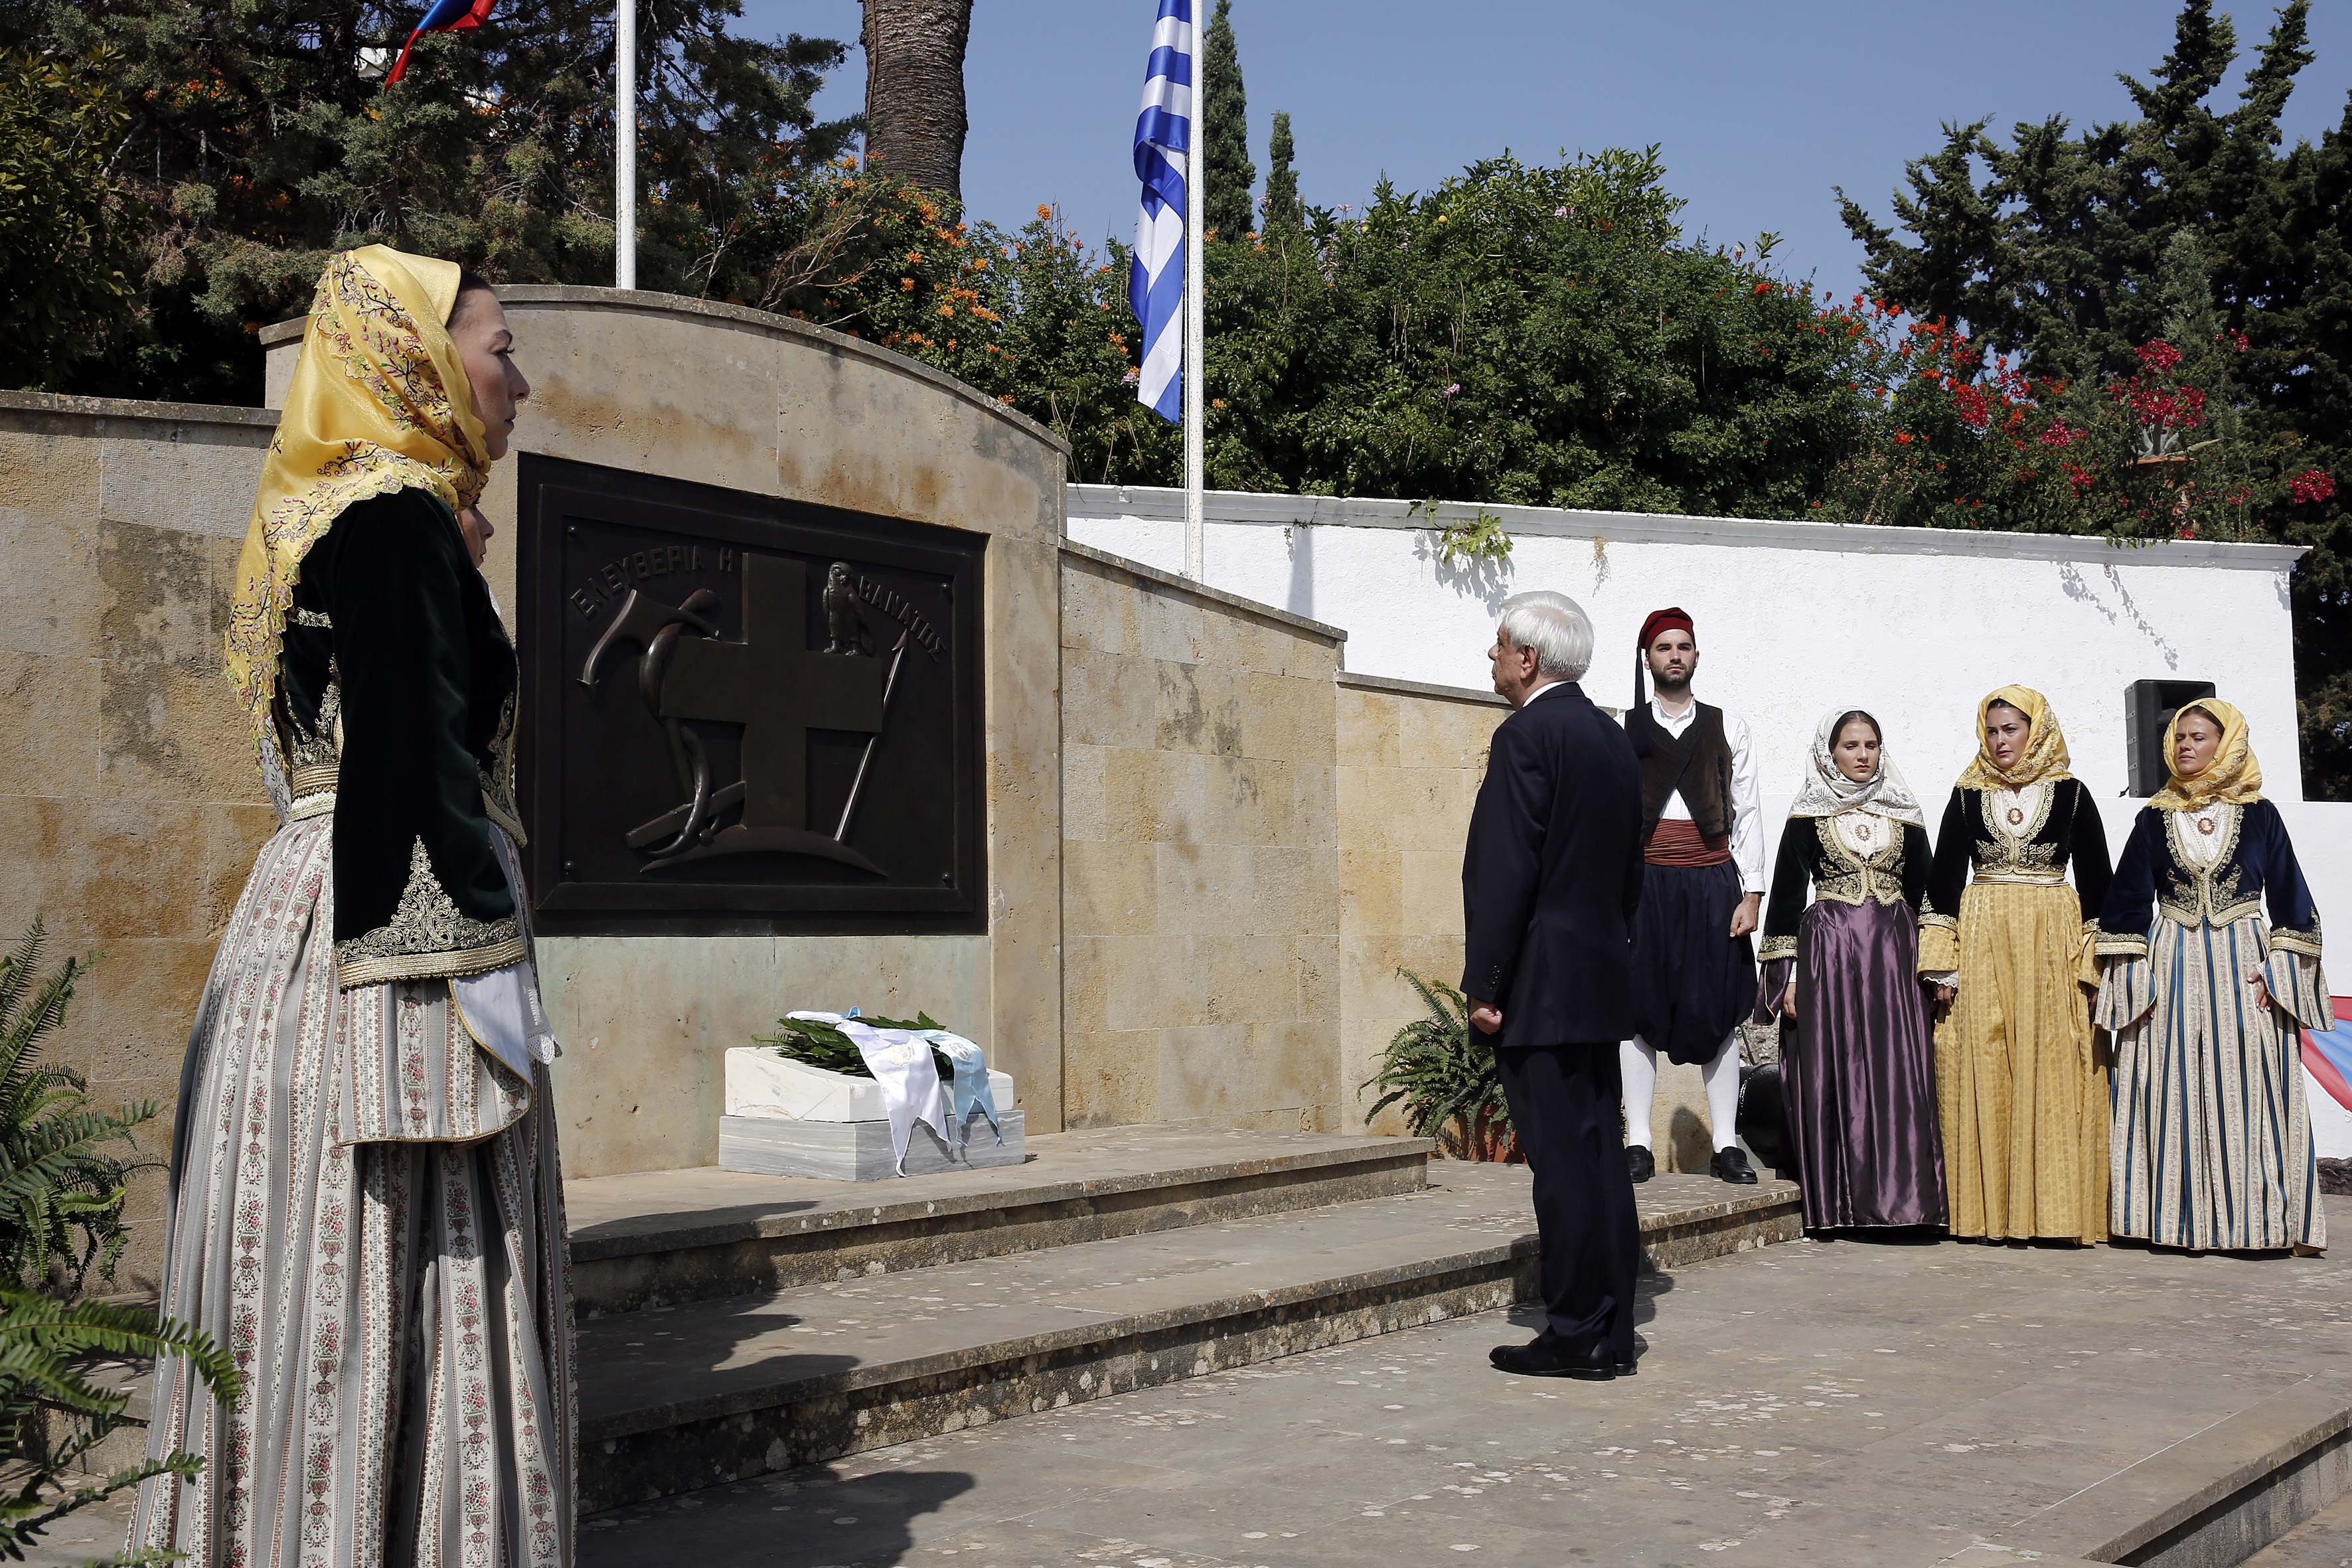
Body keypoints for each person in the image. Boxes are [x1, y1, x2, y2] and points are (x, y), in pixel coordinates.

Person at [131, 246, 576, 1565]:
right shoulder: (392, 523)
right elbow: (411, 763)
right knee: (403, 1272)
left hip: (298, 930)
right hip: (388, 945)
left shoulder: (321, 511)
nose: (520, 384)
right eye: (500, 351)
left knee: (305, 1280)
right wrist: (486, 1001)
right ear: (421, 360)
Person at [1461, 590, 1646, 1380]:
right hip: (1595, 979)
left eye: (1500, 645)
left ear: (1529, 658)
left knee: (1564, 1167)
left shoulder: (1527, 735)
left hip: (1539, 984)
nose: (1492, 658)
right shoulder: (1609, 736)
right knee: (1597, 1155)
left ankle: (1578, 1331)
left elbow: (1506, 872)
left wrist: (1486, 983)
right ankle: (1608, 1324)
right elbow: (1628, 872)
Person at [2096, 700, 2330, 1252]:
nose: (2184, 746)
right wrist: (2134, 981)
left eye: (2197, 737)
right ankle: (2168, 1222)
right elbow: (2126, 904)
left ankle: (2256, 1225)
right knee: (2167, 1088)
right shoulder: (2153, 817)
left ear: (2225, 745)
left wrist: (2279, 973)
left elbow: (2294, 903)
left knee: (2250, 1089)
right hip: (2170, 959)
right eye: (2178, 737)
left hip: (2242, 963)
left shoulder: (2260, 814)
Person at [1917, 686, 2112, 1244]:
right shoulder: (1966, 795)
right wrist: (1940, 965)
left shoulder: (2071, 795)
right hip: (1981, 937)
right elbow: (1941, 884)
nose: (2000, 741)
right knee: (1981, 1056)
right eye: (1992, 730)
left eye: (2011, 729)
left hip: (2051, 938)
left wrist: (2095, 967)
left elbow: (2099, 885)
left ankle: (2053, 1214)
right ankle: (1983, 1214)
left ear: (2037, 730)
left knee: (2052, 1059)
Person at [1757, 710, 1948, 1230]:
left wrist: (1939, 967)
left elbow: (1928, 895)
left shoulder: (1904, 815)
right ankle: (1844, 1204)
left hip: (1894, 955)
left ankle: (1906, 1204)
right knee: (1839, 1071)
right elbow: (1786, 899)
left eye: (1870, 745)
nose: (1862, 755)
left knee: (1898, 1073)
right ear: (1829, 753)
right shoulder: (1806, 818)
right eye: (1850, 745)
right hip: (1829, 955)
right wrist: (1787, 976)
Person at [1618, 607, 1765, 1184]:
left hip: (1711, 881)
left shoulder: (1730, 727)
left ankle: (1727, 1146)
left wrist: (1751, 892)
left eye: (1683, 646)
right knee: (1635, 1012)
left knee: (1720, 1009)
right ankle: (1638, 1142)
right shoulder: (1621, 728)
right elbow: (1610, 816)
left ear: (1696, 657)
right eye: (1663, 647)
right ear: (1647, 658)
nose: (1674, 655)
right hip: (1645, 884)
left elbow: (1747, 810)